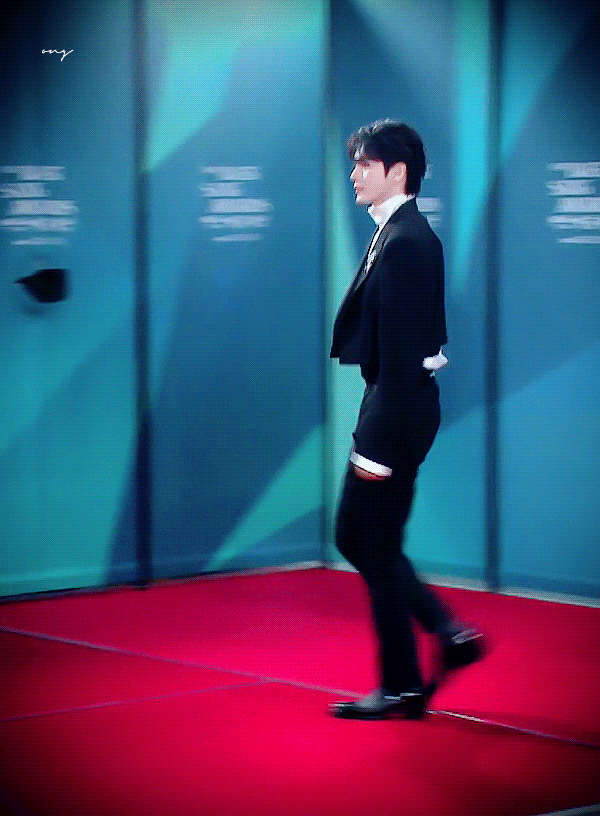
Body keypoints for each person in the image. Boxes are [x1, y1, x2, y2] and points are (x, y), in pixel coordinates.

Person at [329, 120, 483, 720]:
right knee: (375, 542)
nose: (354, 174)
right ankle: (424, 664)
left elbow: (400, 356)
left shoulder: (406, 241)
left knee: (358, 536)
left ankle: (429, 651)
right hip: (399, 405)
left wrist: (373, 447)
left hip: (395, 411)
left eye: (363, 164)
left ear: (397, 171)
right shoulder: (397, 233)